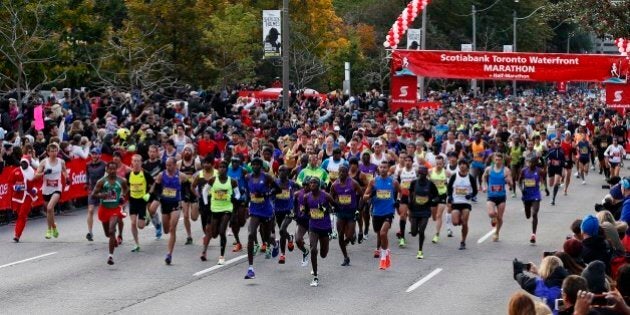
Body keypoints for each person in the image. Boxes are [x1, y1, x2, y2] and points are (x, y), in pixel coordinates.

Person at [244, 158, 280, 279]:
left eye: (257, 165)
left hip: (266, 210)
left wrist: (265, 194)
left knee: (266, 238)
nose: (254, 166)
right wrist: (245, 204)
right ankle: (250, 268)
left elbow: (278, 189)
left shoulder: (267, 177)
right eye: (252, 164)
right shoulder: (248, 177)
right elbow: (247, 192)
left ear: (261, 166)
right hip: (254, 210)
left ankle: (275, 244)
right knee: (251, 234)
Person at [151, 157, 189, 265]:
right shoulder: (161, 175)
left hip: (175, 204)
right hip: (165, 204)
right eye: (167, 165)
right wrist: (158, 198)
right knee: (166, 230)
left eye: (170, 165)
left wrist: (185, 197)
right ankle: (159, 225)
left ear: (175, 165)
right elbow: (157, 189)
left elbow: (187, 187)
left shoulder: (181, 176)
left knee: (172, 229)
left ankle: (169, 254)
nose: (168, 167)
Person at [364, 161, 401, 270]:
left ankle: (384, 257)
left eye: (385, 167)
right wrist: (371, 194)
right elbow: (364, 196)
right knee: (378, 233)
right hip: (376, 212)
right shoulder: (373, 182)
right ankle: (386, 250)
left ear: (388, 169)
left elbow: (400, 191)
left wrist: (398, 200)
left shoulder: (393, 182)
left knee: (383, 233)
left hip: (389, 212)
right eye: (381, 167)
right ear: (378, 169)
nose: (383, 169)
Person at [201, 160, 240, 265]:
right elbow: (205, 191)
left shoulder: (232, 181)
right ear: (218, 169)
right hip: (215, 209)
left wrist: (235, 198)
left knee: (222, 231)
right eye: (220, 167)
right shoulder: (213, 180)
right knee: (214, 234)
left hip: (227, 209)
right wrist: (205, 204)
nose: (222, 169)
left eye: (224, 167)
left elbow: (238, 194)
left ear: (227, 169)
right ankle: (217, 231)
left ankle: (221, 256)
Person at [91, 161, 129, 265]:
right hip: (104, 209)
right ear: (107, 170)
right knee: (108, 234)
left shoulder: (121, 181)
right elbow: (93, 194)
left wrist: (122, 196)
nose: (112, 171)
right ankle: (114, 240)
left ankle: (110, 256)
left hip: (115, 209)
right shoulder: (102, 182)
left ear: (116, 169)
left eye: (114, 169)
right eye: (110, 169)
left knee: (112, 230)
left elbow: (126, 189)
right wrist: (101, 195)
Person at [303, 177, 337, 286]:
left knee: (323, 254)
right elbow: (306, 210)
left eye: (314, 183)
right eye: (311, 182)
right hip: (313, 226)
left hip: (325, 227)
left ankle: (326, 244)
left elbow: (335, 207)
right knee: (313, 249)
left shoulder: (326, 196)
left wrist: (325, 209)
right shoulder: (306, 197)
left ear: (319, 185)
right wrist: (306, 212)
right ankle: (315, 276)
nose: (312, 184)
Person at [330, 164, 361, 266]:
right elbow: (331, 198)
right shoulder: (334, 185)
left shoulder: (353, 183)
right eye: (340, 171)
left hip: (351, 213)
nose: (342, 173)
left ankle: (351, 238)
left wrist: (358, 209)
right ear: (338, 172)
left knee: (349, 236)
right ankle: (345, 257)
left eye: (344, 171)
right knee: (340, 235)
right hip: (341, 213)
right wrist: (334, 205)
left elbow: (361, 194)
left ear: (347, 172)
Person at [35, 143, 68, 239]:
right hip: (46, 189)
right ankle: (54, 227)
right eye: (52, 151)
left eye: (55, 151)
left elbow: (65, 171)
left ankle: (49, 230)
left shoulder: (61, 162)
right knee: (50, 211)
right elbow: (36, 175)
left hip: (57, 188)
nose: (54, 153)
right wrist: (44, 172)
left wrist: (67, 177)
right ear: (48, 152)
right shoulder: (44, 162)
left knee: (49, 208)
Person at [408, 166, 439, 259]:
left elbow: (437, 196)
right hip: (415, 210)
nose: (421, 175)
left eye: (423, 174)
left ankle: (420, 250)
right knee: (413, 233)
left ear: (426, 174)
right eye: (420, 174)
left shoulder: (430, 184)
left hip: (425, 211)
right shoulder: (414, 183)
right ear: (418, 174)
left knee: (421, 231)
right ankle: (416, 229)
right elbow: (410, 195)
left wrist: (433, 201)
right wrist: (409, 204)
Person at [481, 152, 513, 242]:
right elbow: (483, 177)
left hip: (501, 197)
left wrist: (509, 182)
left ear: (502, 160)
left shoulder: (506, 170)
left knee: (500, 217)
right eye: (496, 159)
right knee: (491, 213)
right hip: (491, 195)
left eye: (499, 160)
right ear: (493, 160)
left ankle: (497, 232)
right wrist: (484, 186)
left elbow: (511, 184)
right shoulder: (489, 169)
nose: (497, 161)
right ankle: (493, 217)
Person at [447, 159, 477, 250]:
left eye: (464, 164)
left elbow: (475, 190)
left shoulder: (470, 177)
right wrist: (450, 197)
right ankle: (459, 218)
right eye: (460, 164)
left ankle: (463, 241)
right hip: (456, 202)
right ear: (459, 166)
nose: (462, 166)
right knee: (455, 223)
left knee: (464, 222)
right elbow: (449, 189)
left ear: (467, 166)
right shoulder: (454, 176)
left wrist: (470, 195)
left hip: (466, 203)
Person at [126, 154, 154, 252]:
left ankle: (147, 216)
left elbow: (153, 183)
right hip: (133, 201)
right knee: (133, 223)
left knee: (141, 226)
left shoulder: (145, 174)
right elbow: (126, 187)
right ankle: (136, 244)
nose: (136, 163)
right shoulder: (128, 174)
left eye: (138, 161)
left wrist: (149, 194)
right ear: (131, 162)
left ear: (141, 163)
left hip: (142, 201)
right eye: (134, 161)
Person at [272, 165, 297, 264]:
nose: (281, 172)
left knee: (282, 230)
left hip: (289, 210)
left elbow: (301, 189)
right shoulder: (275, 183)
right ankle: (290, 238)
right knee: (282, 231)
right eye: (279, 170)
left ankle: (282, 255)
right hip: (278, 210)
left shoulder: (291, 183)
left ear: (287, 173)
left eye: (284, 170)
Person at [9, 155, 38, 242]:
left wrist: (34, 189)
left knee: (22, 214)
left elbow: (39, 183)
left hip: (28, 195)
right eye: (22, 162)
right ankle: (18, 231)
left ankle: (17, 235)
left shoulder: (33, 172)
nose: (23, 164)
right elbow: (10, 182)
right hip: (17, 196)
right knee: (19, 215)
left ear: (28, 163)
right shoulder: (16, 171)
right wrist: (14, 187)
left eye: (25, 163)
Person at [177, 145, 200, 245]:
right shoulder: (179, 163)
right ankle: (189, 236)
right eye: (185, 150)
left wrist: (194, 179)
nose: (187, 152)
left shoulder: (196, 163)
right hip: (183, 191)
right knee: (185, 215)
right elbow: (176, 177)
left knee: (194, 217)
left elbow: (201, 175)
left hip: (193, 191)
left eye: (189, 150)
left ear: (192, 152)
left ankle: (198, 209)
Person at [227, 156, 248, 252]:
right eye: (233, 162)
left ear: (239, 163)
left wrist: (248, 196)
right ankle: (238, 242)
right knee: (233, 221)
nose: (234, 163)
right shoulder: (228, 170)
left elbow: (248, 182)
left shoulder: (243, 171)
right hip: (231, 198)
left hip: (242, 198)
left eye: (236, 162)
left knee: (241, 221)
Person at [519, 156, 543, 244]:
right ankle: (527, 209)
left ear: (536, 163)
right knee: (528, 215)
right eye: (529, 163)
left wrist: (544, 187)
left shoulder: (539, 171)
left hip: (536, 194)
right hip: (526, 194)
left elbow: (543, 180)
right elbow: (519, 181)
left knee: (535, 213)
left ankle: (533, 234)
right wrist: (522, 190)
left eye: (532, 163)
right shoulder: (524, 171)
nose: (530, 164)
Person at [395, 153, 416, 248]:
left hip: (413, 197)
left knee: (411, 217)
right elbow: (397, 185)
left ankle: (414, 226)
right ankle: (402, 237)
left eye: (409, 161)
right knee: (402, 215)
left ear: (412, 162)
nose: (407, 162)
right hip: (403, 196)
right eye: (406, 161)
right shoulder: (400, 171)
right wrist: (397, 198)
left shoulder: (416, 172)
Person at [430, 155, 452, 243]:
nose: (438, 165)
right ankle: (437, 231)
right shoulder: (430, 171)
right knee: (434, 217)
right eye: (437, 163)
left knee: (439, 215)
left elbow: (452, 183)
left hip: (442, 195)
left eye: (440, 164)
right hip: (433, 196)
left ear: (443, 164)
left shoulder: (447, 173)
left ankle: (437, 234)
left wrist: (450, 193)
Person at [85, 148, 106, 241]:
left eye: (95, 154)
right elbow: (87, 175)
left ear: (99, 155)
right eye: (92, 154)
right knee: (90, 210)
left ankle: (109, 229)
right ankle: (90, 232)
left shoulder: (104, 164)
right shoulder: (88, 165)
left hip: (103, 191)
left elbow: (108, 175)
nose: (93, 155)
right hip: (93, 190)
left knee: (104, 212)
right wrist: (86, 183)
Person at [143, 145, 163, 239]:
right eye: (150, 151)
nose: (152, 153)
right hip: (148, 190)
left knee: (152, 209)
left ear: (157, 153)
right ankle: (158, 225)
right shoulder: (144, 164)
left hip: (159, 190)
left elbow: (165, 175)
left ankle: (158, 226)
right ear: (148, 152)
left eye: (154, 152)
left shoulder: (161, 164)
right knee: (150, 212)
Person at [358, 151, 377, 242]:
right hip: (361, 192)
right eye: (364, 156)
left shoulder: (374, 166)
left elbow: (378, 177)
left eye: (367, 156)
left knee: (366, 210)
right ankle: (362, 228)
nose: (365, 157)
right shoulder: (359, 167)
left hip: (371, 191)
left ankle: (366, 227)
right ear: (361, 158)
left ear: (370, 157)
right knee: (360, 211)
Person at [546, 139, 565, 206]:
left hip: (558, 169)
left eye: (558, 143)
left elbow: (564, 161)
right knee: (550, 184)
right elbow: (546, 158)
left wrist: (560, 163)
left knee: (556, 183)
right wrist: (548, 162)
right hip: (551, 168)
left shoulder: (562, 151)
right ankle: (553, 193)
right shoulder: (550, 150)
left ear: (560, 144)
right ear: (553, 143)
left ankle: (553, 199)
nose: (557, 144)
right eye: (556, 143)